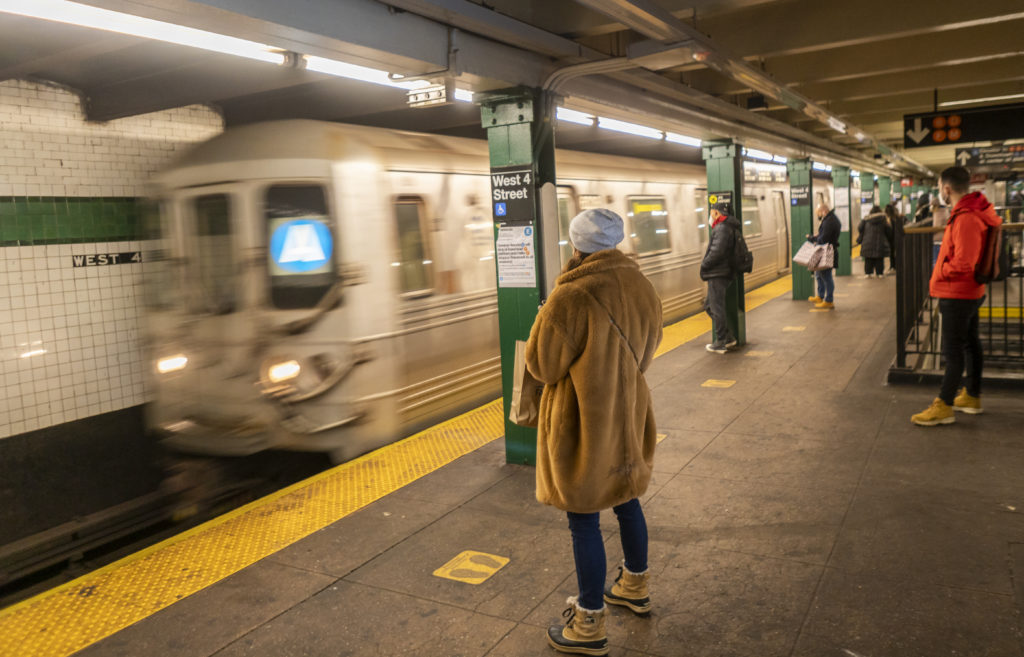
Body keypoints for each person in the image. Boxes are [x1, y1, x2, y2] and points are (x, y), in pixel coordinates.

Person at [525, 208, 663, 655]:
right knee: (626, 500)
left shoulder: (571, 296)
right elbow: (649, 349)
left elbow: (542, 366)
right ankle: (634, 586)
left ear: (576, 245)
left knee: (583, 519)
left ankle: (588, 624)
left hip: (584, 423)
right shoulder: (642, 286)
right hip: (627, 414)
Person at [911, 166, 1002, 426]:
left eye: (940, 186)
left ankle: (944, 405)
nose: (940, 191)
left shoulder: (966, 217)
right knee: (970, 343)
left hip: (958, 292)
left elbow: (964, 262)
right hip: (970, 291)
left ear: (947, 188)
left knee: (953, 352)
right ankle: (972, 396)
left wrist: (940, 272)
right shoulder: (974, 211)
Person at [699, 201, 741, 353]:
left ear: (717, 213)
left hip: (718, 272)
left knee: (716, 308)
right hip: (722, 272)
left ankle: (721, 341)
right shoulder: (725, 227)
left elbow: (716, 252)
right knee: (710, 306)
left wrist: (704, 265)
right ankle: (728, 338)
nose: (710, 214)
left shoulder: (722, 228)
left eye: (712, 211)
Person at [806, 203, 841, 309]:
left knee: (826, 276)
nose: (818, 216)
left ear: (823, 211)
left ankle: (829, 300)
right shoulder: (830, 219)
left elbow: (824, 239)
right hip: (825, 251)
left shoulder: (829, 221)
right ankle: (820, 296)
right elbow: (824, 235)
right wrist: (819, 235)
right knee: (818, 274)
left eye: (818, 213)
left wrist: (812, 238)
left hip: (827, 251)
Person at [856, 204, 890, 278]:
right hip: (880, 242)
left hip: (867, 242)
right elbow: (888, 230)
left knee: (868, 258)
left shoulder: (866, 219)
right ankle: (879, 273)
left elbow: (859, 228)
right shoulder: (883, 219)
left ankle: (868, 273)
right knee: (879, 258)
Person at [884, 203, 903, 273]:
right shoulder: (897, 218)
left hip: (892, 239)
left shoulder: (889, 219)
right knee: (895, 253)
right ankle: (895, 266)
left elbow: (889, 231)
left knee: (892, 253)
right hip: (898, 238)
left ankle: (893, 267)